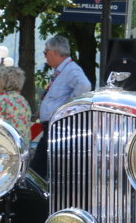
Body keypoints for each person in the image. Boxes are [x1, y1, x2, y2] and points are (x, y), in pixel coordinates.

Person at [30, 35, 92, 177]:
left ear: (53, 52)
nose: (45, 56)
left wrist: (65, 109)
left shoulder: (71, 70)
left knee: (36, 171)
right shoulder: (63, 70)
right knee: (43, 170)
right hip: (54, 128)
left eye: (45, 53)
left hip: (57, 128)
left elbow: (85, 85)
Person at [0, 65, 32, 140]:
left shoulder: (2, 99)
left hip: (7, 146)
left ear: (3, 82)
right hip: (22, 147)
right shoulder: (23, 100)